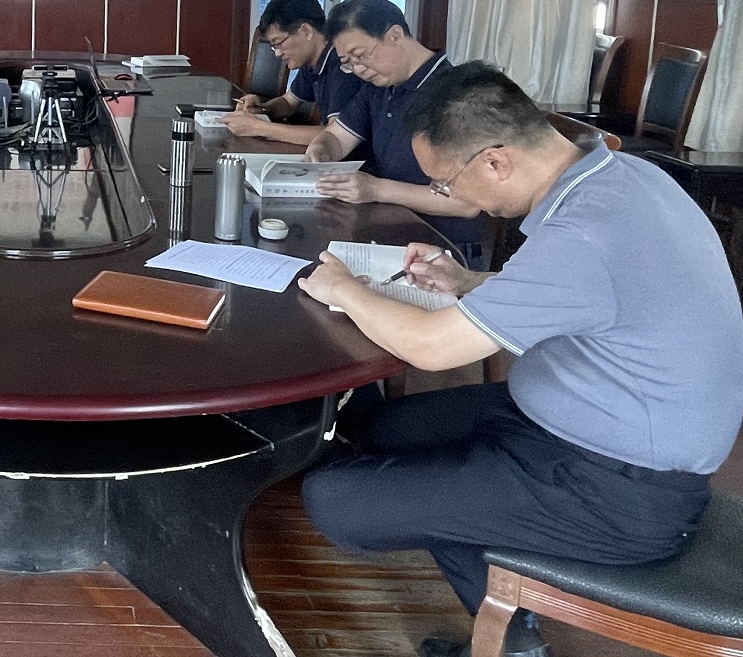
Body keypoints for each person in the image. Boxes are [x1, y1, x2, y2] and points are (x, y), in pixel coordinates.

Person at [297, 61, 743, 657]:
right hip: (569, 420)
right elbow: (585, 296)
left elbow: (431, 349)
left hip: (623, 490)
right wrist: (467, 283)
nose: (450, 198)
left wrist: (346, 290)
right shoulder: (623, 177)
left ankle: (513, 640)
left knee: (335, 500)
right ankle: (512, 638)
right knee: (381, 429)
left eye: (444, 184)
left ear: (494, 162)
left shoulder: (585, 232)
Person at [303, 0, 484, 254]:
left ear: (395, 35)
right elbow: (337, 136)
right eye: (348, 63)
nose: (358, 69)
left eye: (360, 56)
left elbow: (466, 203)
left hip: (443, 248)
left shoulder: (457, 94)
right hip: (388, 233)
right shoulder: (378, 87)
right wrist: (321, 151)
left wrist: (377, 189)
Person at [221, 0, 364, 145]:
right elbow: (288, 102)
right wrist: (260, 109)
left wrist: (259, 127)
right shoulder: (311, 61)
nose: (277, 53)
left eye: (278, 43)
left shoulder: (342, 64)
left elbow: (335, 134)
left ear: (306, 31)